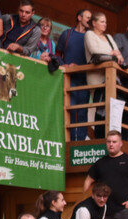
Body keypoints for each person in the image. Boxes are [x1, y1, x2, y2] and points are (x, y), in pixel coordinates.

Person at [83, 130, 128, 219]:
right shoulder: (100, 162)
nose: (111, 144)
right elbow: (88, 181)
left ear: (121, 144)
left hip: (125, 209)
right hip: (105, 211)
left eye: (114, 142)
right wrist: (90, 202)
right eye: (109, 142)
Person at [55, 9, 91, 141]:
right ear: (79, 18)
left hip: (84, 80)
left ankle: (80, 145)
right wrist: (63, 64)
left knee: (82, 113)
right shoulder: (67, 34)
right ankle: (66, 142)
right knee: (67, 111)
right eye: (88, 18)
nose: (90, 21)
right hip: (68, 80)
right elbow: (57, 54)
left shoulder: (90, 36)